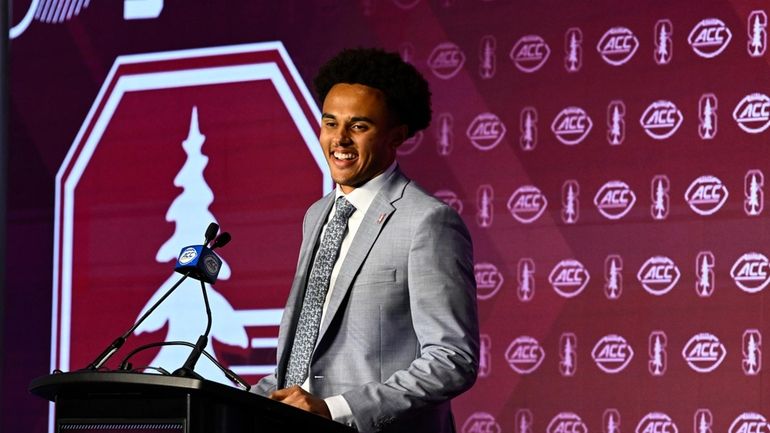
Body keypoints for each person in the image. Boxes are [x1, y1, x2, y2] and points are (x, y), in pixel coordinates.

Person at [253, 47, 479, 433]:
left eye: (358, 126)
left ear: (397, 136)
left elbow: (451, 359)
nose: (339, 139)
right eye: (329, 123)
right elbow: (308, 354)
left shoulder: (428, 221)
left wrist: (337, 409)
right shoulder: (317, 215)